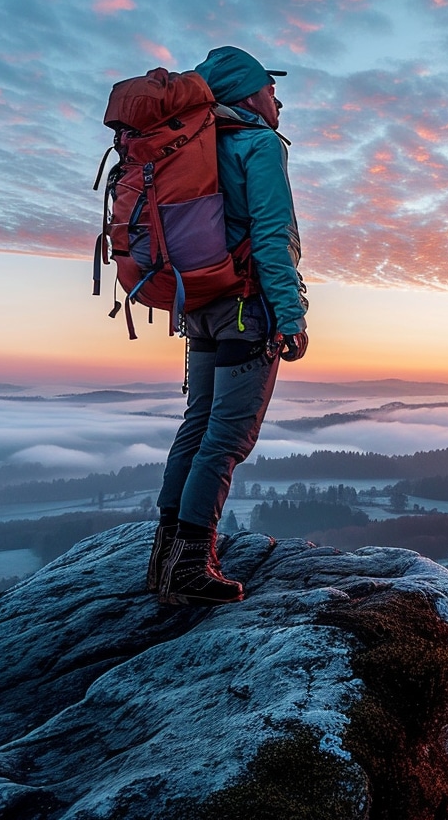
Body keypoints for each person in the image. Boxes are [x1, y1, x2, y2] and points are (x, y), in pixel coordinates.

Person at [147, 46, 310, 605]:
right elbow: (271, 236)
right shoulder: (258, 145)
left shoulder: (191, 150)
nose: (277, 99)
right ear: (246, 95)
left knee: (197, 425)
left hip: (199, 306)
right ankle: (192, 564)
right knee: (227, 438)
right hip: (246, 307)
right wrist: (290, 316)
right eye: (269, 88)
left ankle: (166, 555)